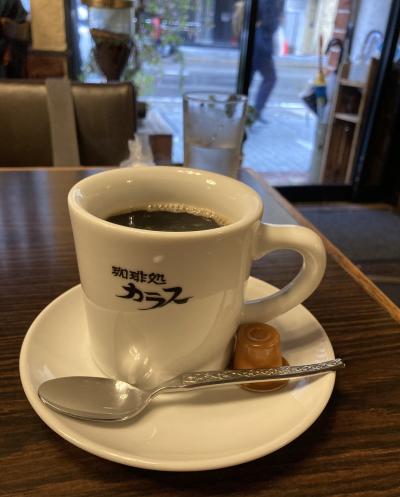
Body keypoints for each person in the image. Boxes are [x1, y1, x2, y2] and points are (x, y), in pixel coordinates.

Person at [250, 0, 284, 123]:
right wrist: (278, 20)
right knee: (270, 78)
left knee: (251, 78)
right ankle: (255, 111)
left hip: (257, 43)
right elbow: (270, 23)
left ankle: (245, 111)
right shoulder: (269, 2)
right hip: (261, 45)